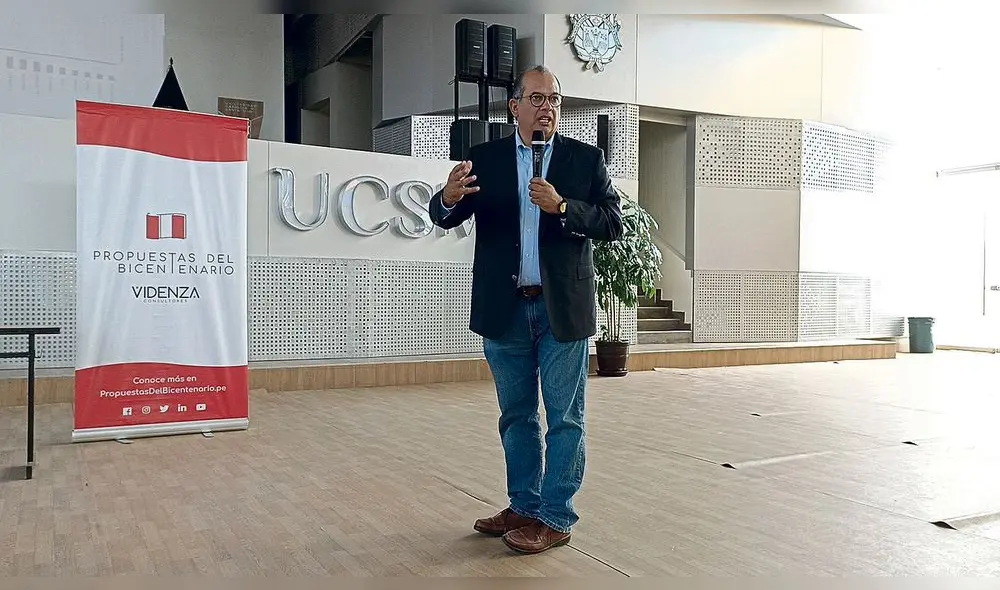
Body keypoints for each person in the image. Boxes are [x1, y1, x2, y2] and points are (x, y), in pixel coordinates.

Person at [428, 65, 623, 555]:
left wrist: (563, 207)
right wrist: (446, 198)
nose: (547, 108)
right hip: (506, 310)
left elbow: (613, 222)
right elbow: (446, 214)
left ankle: (555, 516)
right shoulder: (486, 159)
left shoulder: (585, 160)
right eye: (536, 99)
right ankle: (524, 504)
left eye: (553, 99)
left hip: (562, 312)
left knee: (565, 418)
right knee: (516, 416)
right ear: (514, 107)